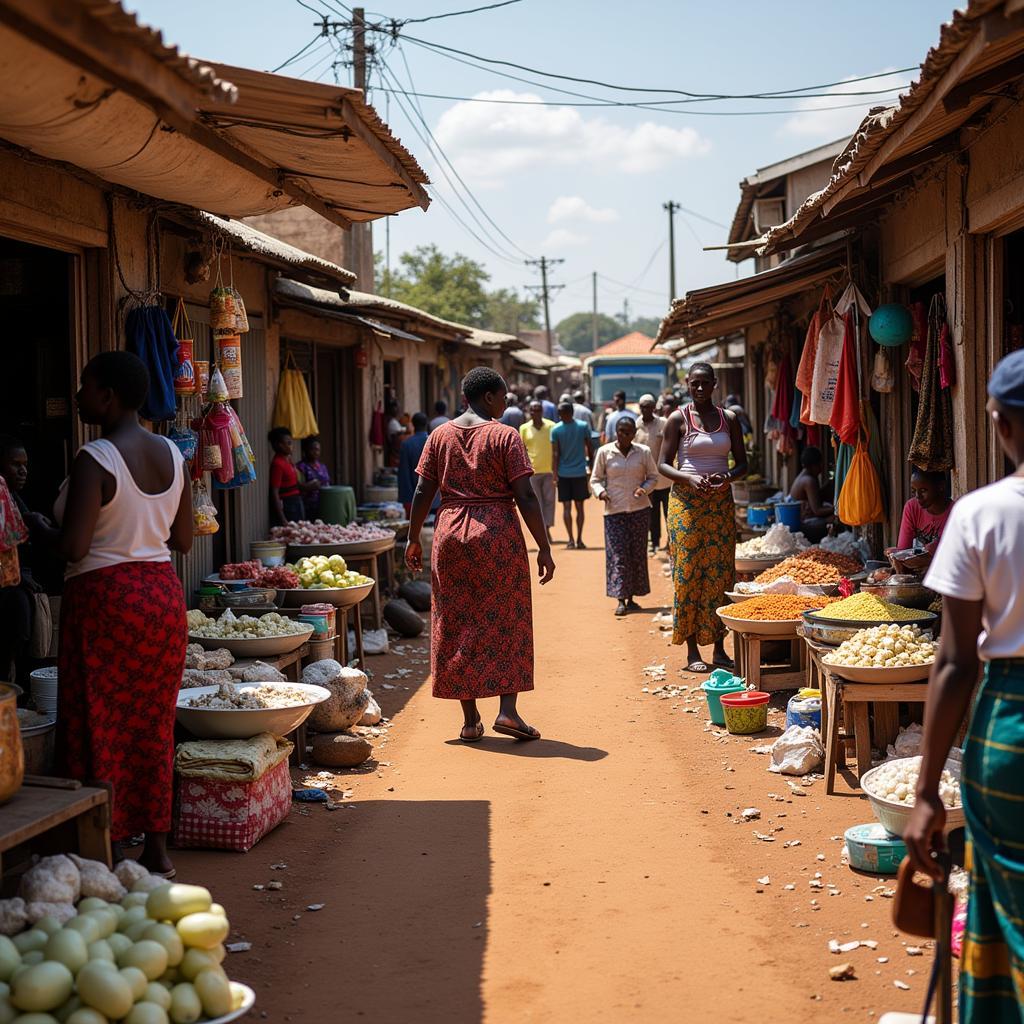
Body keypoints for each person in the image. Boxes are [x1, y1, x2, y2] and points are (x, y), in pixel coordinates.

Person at [904, 349, 1024, 1024]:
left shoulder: (980, 517)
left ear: (1003, 425)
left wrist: (926, 792)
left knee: (1001, 907)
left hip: (1010, 731)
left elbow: (955, 662)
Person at [52, 351, 192, 876]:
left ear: (108, 396)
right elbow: (181, 539)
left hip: (106, 601)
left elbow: (73, 547)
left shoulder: (96, 458)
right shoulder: (173, 456)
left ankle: (100, 850)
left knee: (98, 721)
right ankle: (156, 851)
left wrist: (38, 528)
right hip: (160, 597)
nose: (79, 394)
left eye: (85, 385)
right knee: (153, 726)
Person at [405, 366, 554, 743]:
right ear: (487, 397)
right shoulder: (505, 436)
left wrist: (412, 539)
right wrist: (544, 546)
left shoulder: (439, 435)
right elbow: (525, 495)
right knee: (508, 618)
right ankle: (507, 712)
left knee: (456, 620)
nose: (506, 403)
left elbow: (423, 492)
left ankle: (471, 721)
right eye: (503, 397)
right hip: (497, 534)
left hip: (451, 533)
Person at [660, 362, 748, 673]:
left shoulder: (730, 419)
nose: (699, 389)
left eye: (704, 383)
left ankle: (720, 648)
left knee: (720, 572)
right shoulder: (677, 419)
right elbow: (663, 465)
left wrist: (727, 476)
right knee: (688, 572)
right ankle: (692, 651)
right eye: (694, 384)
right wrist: (688, 479)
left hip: (720, 504)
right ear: (687, 384)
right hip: (686, 505)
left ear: (714, 385)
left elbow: (743, 464)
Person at [591, 417, 659, 616]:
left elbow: (653, 477)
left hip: (639, 510)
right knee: (618, 554)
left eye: (628, 432)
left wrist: (644, 489)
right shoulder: (605, 452)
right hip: (614, 511)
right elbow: (595, 479)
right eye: (621, 431)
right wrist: (600, 492)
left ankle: (632, 598)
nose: (624, 436)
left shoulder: (643, 453)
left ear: (634, 434)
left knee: (636, 554)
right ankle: (620, 599)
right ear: (616, 432)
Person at [0, 437, 47, 683]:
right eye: (14, 464)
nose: (23, 470)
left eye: (25, 464)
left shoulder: (15, 500)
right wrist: (20, 577)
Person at [551, 401, 593, 549]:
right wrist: (591, 466)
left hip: (564, 473)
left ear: (562, 413)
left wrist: (555, 474)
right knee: (579, 507)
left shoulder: (556, 430)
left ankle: (570, 540)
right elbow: (590, 446)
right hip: (579, 472)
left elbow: (556, 454)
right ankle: (579, 539)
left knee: (567, 507)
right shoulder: (582, 426)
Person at [636, 394, 670, 553]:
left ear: (654, 407)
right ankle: (654, 543)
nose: (645, 409)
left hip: (665, 478)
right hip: (647, 479)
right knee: (652, 513)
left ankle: (671, 543)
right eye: (643, 406)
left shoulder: (663, 424)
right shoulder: (636, 425)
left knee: (669, 513)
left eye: (649, 406)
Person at [895, 468, 952, 563]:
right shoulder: (912, 507)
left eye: (923, 490)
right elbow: (903, 551)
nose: (918, 496)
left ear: (941, 486)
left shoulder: (955, 513)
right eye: (914, 491)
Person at [520, 401, 556, 543]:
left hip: (549, 470)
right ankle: (543, 531)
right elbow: (521, 450)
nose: (535, 412)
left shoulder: (551, 426)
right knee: (537, 502)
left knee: (549, 502)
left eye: (538, 410)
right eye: (532, 410)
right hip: (532, 472)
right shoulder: (524, 428)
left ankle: (547, 528)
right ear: (529, 412)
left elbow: (556, 449)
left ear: (542, 411)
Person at [788, 446, 834, 542]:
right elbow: (818, 511)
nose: (821, 467)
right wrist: (838, 509)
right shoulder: (809, 481)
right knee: (836, 519)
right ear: (812, 465)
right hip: (805, 525)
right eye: (819, 464)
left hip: (803, 521)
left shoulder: (806, 476)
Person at [398, 413, 439, 517]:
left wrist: (407, 500)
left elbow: (404, 475)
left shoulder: (407, 444)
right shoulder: (435, 442)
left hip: (415, 500)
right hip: (436, 499)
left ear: (413, 425)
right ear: (426, 424)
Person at [268, 427, 310, 526]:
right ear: (279, 445)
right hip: (287, 504)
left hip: (296, 501)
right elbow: (275, 492)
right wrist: (283, 519)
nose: (291, 446)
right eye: (288, 443)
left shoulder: (288, 460)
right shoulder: (277, 464)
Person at [296, 436, 331, 520]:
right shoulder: (301, 467)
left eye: (318, 450)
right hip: (308, 507)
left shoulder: (322, 466)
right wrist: (309, 486)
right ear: (305, 450)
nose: (316, 452)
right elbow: (298, 486)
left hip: (324, 505)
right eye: (313, 449)